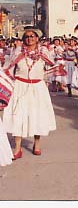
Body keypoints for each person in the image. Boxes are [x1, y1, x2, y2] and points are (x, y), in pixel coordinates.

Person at [2, 26, 57, 159]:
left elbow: (52, 66)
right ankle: (17, 147)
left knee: (37, 115)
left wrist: (50, 75)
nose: (30, 38)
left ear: (37, 38)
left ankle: (37, 143)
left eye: (32, 36)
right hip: (20, 86)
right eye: (27, 36)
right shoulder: (17, 51)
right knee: (18, 115)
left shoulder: (43, 51)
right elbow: (8, 68)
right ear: (23, 39)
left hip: (38, 87)